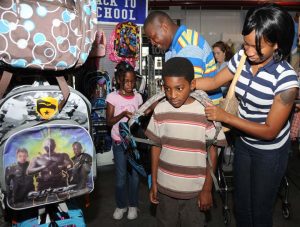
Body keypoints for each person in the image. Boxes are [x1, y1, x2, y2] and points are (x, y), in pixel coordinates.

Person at [194, 4, 298, 227]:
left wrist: (226, 117)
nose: (248, 51)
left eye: (256, 46)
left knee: (259, 212)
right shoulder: (242, 57)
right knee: (241, 207)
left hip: (269, 153)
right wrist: (188, 83)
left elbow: (270, 131)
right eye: (246, 43)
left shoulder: (286, 80)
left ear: (277, 43)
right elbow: (213, 81)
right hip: (244, 144)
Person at [145, 57, 226, 226]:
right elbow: (155, 147)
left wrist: (206, 188)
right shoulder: (160, 110)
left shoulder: (206, 112)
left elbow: (213, 150)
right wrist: (154, 182)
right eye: (167, 89)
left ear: (193, 84)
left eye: (179, 88)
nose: (172, 95)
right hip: (165, 189)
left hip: (195, 191)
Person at [144, 11, 223, 105]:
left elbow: (187, 89)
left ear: (164, 27)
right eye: (150, 40)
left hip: (205, 109)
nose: (152, 43)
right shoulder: (172, 48)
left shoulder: (189, 45)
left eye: (153, 37)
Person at [106, 61, 143, 220]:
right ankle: (121, 205)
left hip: (133, 144)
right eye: (126, 81)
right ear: (119, 80)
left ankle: (133, 205)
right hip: (119, 143)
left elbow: (141, 119)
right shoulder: (112, 97)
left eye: (132, 81)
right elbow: (109, 121)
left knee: (134, 177)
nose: (130, 84)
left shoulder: (139, 97)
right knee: (121, 178)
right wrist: (123, 114)